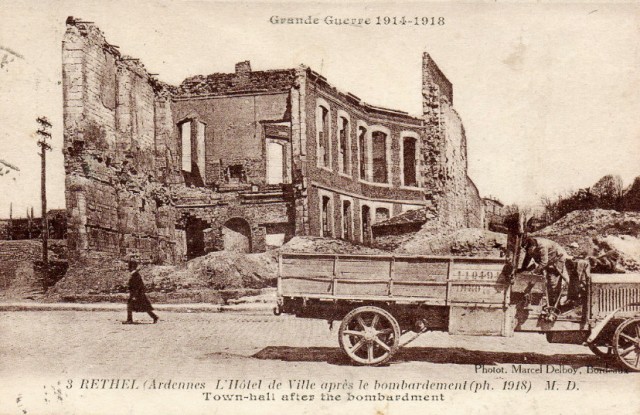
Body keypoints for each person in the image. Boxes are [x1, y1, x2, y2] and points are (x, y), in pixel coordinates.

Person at [520, 237, 572, 308]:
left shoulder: (542, 246)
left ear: (533, 246)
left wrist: (535, 271)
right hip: (548, 259)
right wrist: (523, 269)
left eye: (529, 249)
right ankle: (549, 301)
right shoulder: (530, 246)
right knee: (544, 278)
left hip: (556, 259)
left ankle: (554, 304)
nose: (528, 251)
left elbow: (544, 263)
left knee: (553, 280)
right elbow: (527, 258)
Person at [123, 260, 159, 324]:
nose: (128, 268)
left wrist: (134, 296)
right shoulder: (135, 274)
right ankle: (154, 317)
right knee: (144, 307)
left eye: (129, 266)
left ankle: (129, 320)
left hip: (137, 295)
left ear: (132, 267)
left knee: (131, 306)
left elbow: (137, 287)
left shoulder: (135, 275)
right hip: (138, 294)